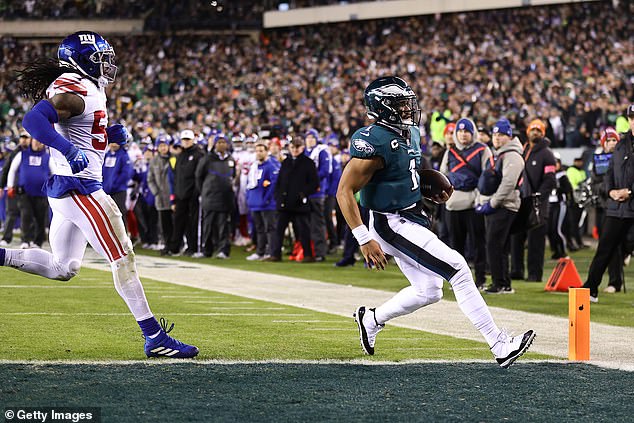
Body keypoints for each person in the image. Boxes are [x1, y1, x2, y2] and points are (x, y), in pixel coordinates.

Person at [3, 31, 198, 358]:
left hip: (66, 189)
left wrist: (107, 134)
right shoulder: (76, 87)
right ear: (79, 61)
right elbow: (33, 120)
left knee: (63, 267)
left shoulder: (85, 86)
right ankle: (154, 336)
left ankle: (2, 255)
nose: (107, 65)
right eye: (99, 59)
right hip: (82, 189)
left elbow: (78, 126)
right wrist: (67, 149)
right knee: (123, 258)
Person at [338, 76, 534, 368]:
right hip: (389, 222)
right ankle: (499, 344)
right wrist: (363, 238)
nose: (408, 109)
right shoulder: (373, 142)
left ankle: (372, 318)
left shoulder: (411, 134)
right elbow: (344, 191)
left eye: (408, 103)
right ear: (383, 107)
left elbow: (405, 172)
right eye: (401, 104)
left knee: (428, 291)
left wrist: (428, 189)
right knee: (458, 269)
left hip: (411, 215)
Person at [583, 107, 634, 302]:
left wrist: (630, 191)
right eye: (632, 118)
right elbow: (610, 173)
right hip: (617, 206)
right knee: (605, 247)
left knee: (625, 244)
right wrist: (611, 191)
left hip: (629, 200)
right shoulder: (621, 145)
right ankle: (590, 289)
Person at [440, 117, 491, 288]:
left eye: (466, 131)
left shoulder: (482, 150)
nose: (463, 135)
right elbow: (442, 174)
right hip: (454, 203)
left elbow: (487, 175)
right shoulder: (450, 151)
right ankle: (458, 280)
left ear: (472, 133)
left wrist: (481, 197)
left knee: (478, 243)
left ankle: (481, 278)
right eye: (460, 131)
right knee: (456, 245)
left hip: (473, 201)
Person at [476, 118, 524, 294]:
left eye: (501, 135)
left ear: (509, 136)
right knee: (499, 246)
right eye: (495, 134)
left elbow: (508, 183)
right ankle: (503, 282)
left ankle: (499, 283)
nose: (497, 138)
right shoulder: (502, 153)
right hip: (501, 204)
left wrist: (492, 203)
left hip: (505, 205)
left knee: (494, 244)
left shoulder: (512, 155)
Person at [510, 119, 557, 282]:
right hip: (521, 201)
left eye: (538, 130)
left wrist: (538, 196)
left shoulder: (547, 154)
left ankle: (534, 274)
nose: (535, 132)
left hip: (537, 204)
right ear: (528, 132)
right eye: (533, 130)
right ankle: (516, 270)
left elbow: (551, 180)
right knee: (516, 237)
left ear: (543, 133)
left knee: (536, 240)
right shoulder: (524, 149)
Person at [265, 136, 318, 262]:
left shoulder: (308, 163)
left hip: (300, 204)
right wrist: (278, 196)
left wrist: (303, 195)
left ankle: (308, 255)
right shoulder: (286, 162)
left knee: (304, 231)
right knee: (279, 230)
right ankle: (275, 254)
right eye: (293, 147)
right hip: (284, 203)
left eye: (297, 147)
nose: (294, 150)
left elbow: (314, 183)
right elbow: (279, 182)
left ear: (302, 148)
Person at [590, 128, 623, 293]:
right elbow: (594, 184)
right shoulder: (598, 162)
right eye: (608, 141)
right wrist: (607, 188)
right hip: (605, 206)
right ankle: (612, 281)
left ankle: (615, 281)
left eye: (614, 140)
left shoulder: (622, 158)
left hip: (621, 205)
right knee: (606, 246)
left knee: (617, 245)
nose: (611, 144)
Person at [6, 136, 54, 248]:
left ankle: (38, 242)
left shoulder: (47, 157)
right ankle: (25, 240)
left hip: (42, 193)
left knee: (40, 218)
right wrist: (10, 186)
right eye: (36, 140)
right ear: (31, 141)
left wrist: (53, 187)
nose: (38, 143)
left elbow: (54, 173)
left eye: (40, 141)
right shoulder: (22, 154)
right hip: (25, 192)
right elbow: (12, 170)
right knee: (26, 215)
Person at [163, 129, 204, 256]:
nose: (186, 142)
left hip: (193, 195)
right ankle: (174, 247)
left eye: (188, 140)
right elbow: (176, 178)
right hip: (181, 194)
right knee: (179, 221)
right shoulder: (180, 156)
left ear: (193, 140)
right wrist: (174, 196)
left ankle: (193, 248)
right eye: (184, 140)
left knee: (193, 222)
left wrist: (197, 192)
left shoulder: (199, 154)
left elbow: (199, 175)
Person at [196, 133, 236, 259]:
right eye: (219, 142)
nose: (222, 145)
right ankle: (206, 250)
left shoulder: (230, 159)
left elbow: (233, 176)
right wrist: (203, 191)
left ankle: (223, 250)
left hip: (225, 198)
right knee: (208, 225)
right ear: (214, 144)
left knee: (223, 226)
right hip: (210, 196)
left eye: (224, 142)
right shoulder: (207, 158)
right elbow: (198, 176)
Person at [246, 142, 278, 260]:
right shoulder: (254, 166)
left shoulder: (270, 166)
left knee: (270, 228)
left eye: (261, 151)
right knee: (259, 229)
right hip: (255, 203)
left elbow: (273, 185)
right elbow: (249, 185)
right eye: (257, 151)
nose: (259, 153)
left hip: (267, 204)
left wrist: (266, 199)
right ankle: (260, 251)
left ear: (266, 152)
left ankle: (271, 252)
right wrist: (249, 199)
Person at [305, 128, 332, 261]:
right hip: (306, 193)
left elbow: (325, 171)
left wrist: (310, 181)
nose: (309, 140)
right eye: (308, 138)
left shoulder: (321, 151)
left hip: (317, 192)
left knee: (317, 223)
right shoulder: (305, 152)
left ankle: (320, 252)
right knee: (306, 224)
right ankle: (309, 251)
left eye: (312, 138)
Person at [0, 132, 31, 246]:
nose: (23, 140)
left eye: (26, 138)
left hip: (28, 189)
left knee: (27, 215)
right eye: (22, 138)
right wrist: (1, 186)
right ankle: (6, 238)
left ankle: (26, 240)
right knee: (11, 213)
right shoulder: (14, 153)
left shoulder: (34, 152)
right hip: (14, 187)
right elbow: (6, 169)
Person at [147, 135, 173, 249]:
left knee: (175, 222)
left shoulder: (174, 159)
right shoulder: (154, 161)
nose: (163, 148)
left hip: (173, 196)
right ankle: (165, 244)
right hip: (161, 197)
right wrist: (156, 192)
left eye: (165, 145)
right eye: (161, 146)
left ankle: (176, 245)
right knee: (163, 223)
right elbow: (150, 179)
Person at [102, 139, 133, 230]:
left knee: (120, 214)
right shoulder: (106, 155)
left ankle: (124, 238)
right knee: (106, 214)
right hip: (106, 191)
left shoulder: (124, 156)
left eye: (116, 142)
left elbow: (126, 174)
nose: (114, 144)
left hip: (119, 191)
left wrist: (114, 185)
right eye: (112, 142)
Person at [546, 153, 573, 260]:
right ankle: (555, 251)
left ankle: (563, 251)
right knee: (549, 229)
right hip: (550, 204)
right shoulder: (548, 175)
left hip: (559, 204)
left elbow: (568, 189)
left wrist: (557, 190)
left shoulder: (562, 176)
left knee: (557, 229)